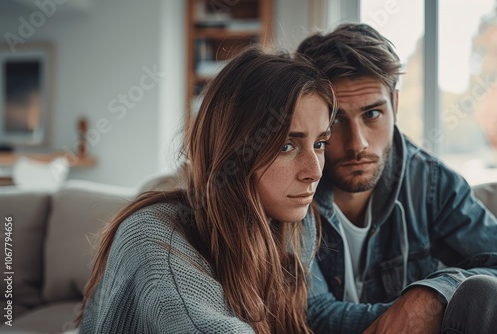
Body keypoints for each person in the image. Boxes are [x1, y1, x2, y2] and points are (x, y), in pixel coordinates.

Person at [76, 47, 337, 334]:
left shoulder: (296, 225)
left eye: (320, 144)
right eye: (286, 146)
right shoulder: (154, 239)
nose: (314, 172)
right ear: (232, 149)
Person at [296, 23, 497, 334]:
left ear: (396, 105)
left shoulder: (430, 182)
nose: (358, 143)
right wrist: (423, 315)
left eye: (372, 114)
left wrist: (435, 295)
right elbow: (310, 315)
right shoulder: (293, 184)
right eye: (336, 119)